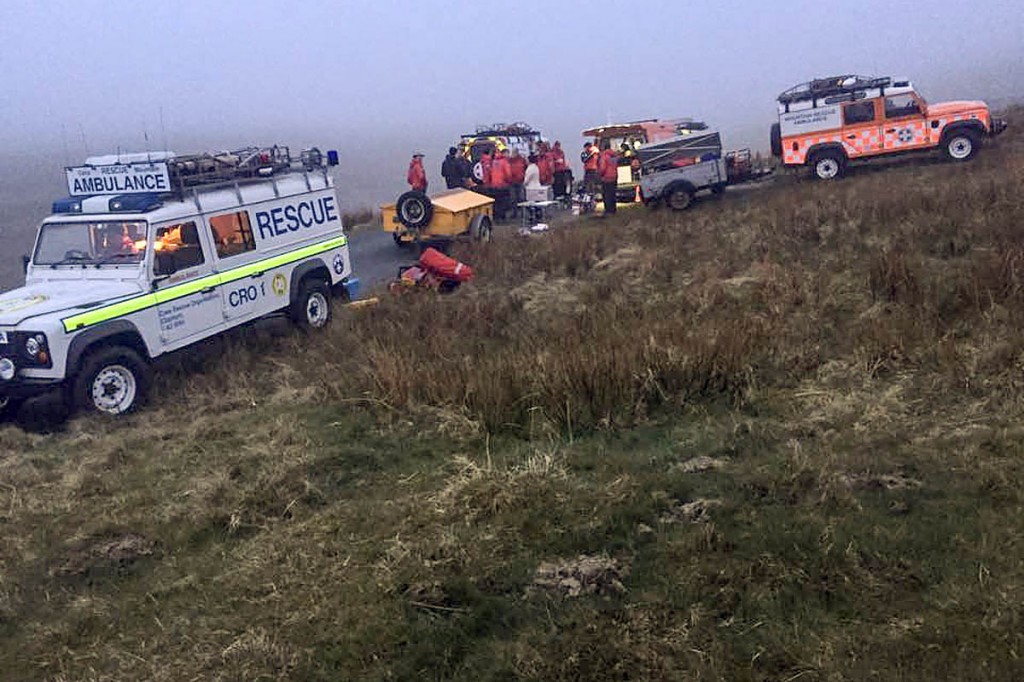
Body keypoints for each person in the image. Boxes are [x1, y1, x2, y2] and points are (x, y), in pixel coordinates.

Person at [489, 148, 512, 220]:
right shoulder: (504, 162)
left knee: (496, 202)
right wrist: (509, 181)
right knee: (503, 202)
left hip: (494, 185)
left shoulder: (494, 161)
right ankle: (502, 217)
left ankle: (496, 217)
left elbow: (490, 172)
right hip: (503, 185)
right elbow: (508, 174)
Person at [597, 141, 619, 215]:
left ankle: (608, 211)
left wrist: (599, 175)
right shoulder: (614, 156)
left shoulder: (604, 156)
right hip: (614, 177)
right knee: (613, 194)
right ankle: (613, 210)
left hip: (606, 178)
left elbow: (603, 168)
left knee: (607, 196)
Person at [507, 148, 527, 217]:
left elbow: (525, 168)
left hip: (520, 181)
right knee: (513, 199)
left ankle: (522, 213)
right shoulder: (509, 160)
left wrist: (523, 176)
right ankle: (514, 213)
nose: (513, 154)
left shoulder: (522, 160)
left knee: (521, 198)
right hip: (512, 182)